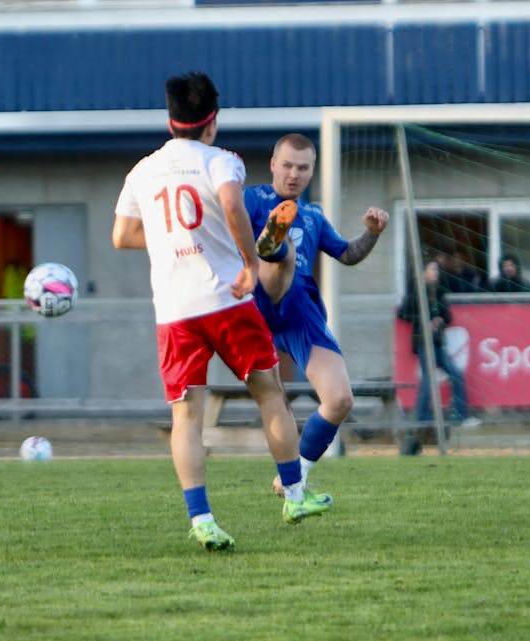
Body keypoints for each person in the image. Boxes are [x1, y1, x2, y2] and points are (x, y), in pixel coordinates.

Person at [111, 73, 331, 551]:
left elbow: (122, 236)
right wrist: (251, 262)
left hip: (174, 310)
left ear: (170, 121)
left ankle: (202, 519)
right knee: (269, 393)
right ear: (211, 122)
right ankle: (294, 494)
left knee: (186, 415)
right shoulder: (221, 161)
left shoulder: (142, 171)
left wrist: (177, 239)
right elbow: (231, 203)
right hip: (226, 299)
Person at [245, 133, 389, 493]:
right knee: (277, 264)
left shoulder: (313, 215)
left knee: (340, 399)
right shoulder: (250, 199)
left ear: (312, 172)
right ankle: (275, 250)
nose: (294, 174)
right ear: (273, 165)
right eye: (288, 165)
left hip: (300, 312)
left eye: (303, 167)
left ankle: (297, 476)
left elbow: (348, 254)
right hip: (252, 304)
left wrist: (371, 233)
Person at [397, 258, 481, 428]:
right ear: (423, 273)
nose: (436, 273)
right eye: (432, 270)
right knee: (428, 379)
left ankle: (460, 416)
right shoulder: (416, 293)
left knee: (456, 375)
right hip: (423, 343)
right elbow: (402, 314)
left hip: (438, 342)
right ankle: (422, 419)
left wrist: (439, 321)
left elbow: (448, 316)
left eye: (436, 270)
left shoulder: (439, 292)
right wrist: (423, 322)